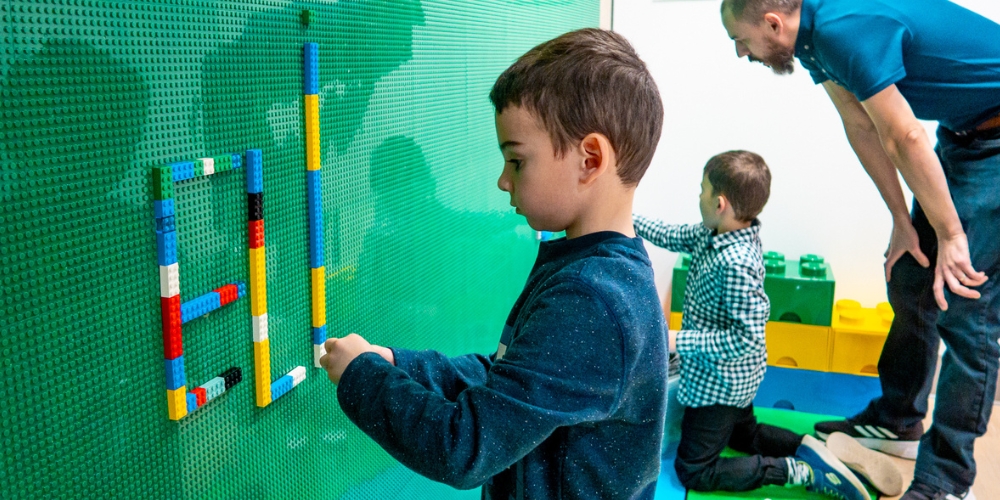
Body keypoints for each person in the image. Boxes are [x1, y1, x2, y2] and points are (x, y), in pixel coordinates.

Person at [320, 28, 669, 499]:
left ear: (589, 159)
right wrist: (398, 363)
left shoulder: (591, 297)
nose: (504, 181)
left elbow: (462, 447)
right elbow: (508, 379)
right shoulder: (594, 267)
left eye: (517, 161)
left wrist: (364, 376)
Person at [719, 0, 1000, 498]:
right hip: (965, 137)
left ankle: (946, 480)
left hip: (993, 142)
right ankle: (898, 423)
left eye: (740, 40)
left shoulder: (840, 28)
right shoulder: (812, 42)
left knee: (968, 308)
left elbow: (906, 133)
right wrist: (900, 220)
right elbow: (861, 124)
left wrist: (953, 236)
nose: (742, 54)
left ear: (772, 23)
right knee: (913, 276)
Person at [636, 151, 897, 498]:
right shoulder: (717, 232)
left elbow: (744, 338)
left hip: (719, 383)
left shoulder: (735, 262)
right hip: (735, 378)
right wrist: (626, 219)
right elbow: (672, 234)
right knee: (744, 436)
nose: (697, 195)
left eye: (702, 189)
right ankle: (817, 449)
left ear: (720, 203)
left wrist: (678, 340)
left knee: (694, 469)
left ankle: (795, 470)